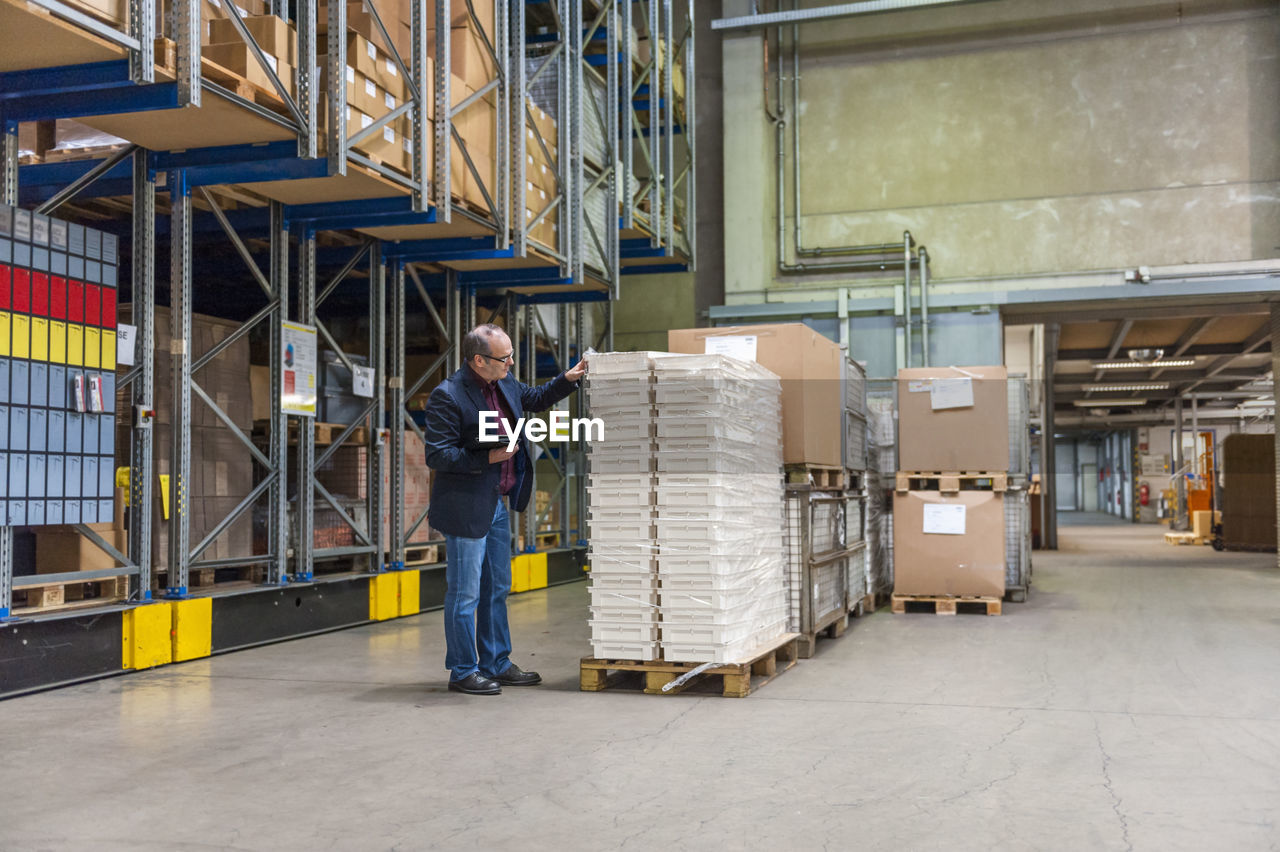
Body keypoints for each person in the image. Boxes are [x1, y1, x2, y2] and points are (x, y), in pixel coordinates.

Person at [423, 323, 587, 695]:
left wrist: (568, 378)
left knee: (496, 586)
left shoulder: (504, 383)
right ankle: (463, 670)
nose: (512, 362)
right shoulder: (448, 396)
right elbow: (438, 454)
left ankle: (495, 662)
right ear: (479, 360)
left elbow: (533, 397)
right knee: (464, 593)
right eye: (505, 357)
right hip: (466, 506)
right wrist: (489, 456)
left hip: (497, 503)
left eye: (512, 354)